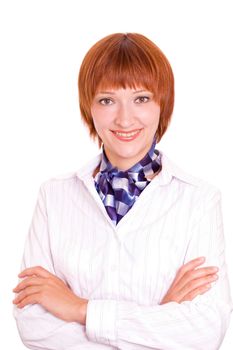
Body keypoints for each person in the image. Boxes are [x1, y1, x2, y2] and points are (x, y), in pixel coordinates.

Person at [13, 32, 232, 349]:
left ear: (162, 104)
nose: (124, 118)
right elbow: (34, 326)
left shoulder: (199, 199)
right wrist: (160, 316)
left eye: (141, 99)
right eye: (107, 100)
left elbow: (204, 332)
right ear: (89, 107)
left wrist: (79, 309)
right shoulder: (54, 196)